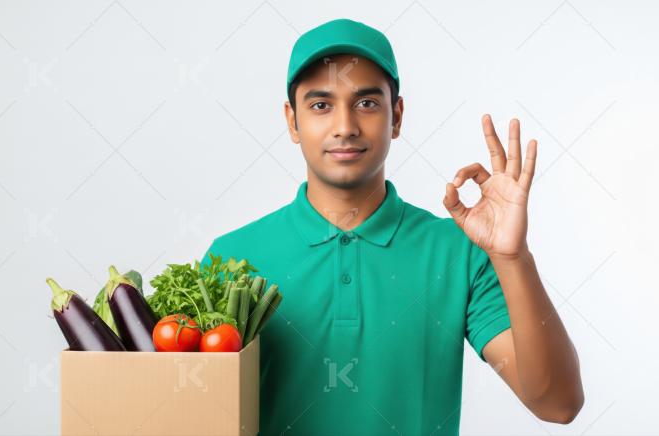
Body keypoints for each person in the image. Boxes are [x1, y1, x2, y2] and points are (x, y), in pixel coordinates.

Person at [202, 17, 584, 435]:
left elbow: (557, 404)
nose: (345, 126)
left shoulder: (458, 253)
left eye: (366, 103)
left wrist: (514, 258)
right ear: (293, 121)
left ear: (396, 116)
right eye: (321, 105)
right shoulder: (233, 260)